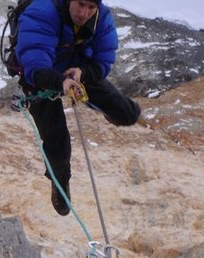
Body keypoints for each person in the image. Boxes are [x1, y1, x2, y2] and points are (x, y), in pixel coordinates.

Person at [15, 0, 141, 216]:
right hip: (40, 80)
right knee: (58, 143)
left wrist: (82, 73)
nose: (84, 14)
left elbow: (104, 61)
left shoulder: (101, 18)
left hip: (75, 71)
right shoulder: (43, 12)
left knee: (129, 114)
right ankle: (60, 183)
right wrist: (60, 83)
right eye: (80, 4)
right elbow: (35, 66)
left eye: (91, 7)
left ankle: (98, 106)